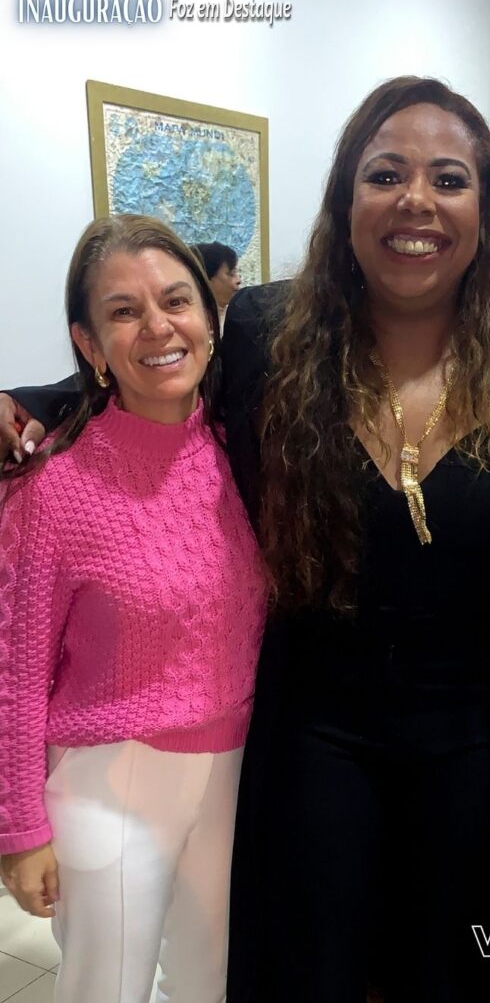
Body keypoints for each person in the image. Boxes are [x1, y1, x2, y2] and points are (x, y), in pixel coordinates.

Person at [0, 77, 490, 1002]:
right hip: (313, 738)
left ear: (486, 209)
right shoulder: (270, 335)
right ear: (344, 199)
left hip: (476, 745)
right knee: (305, 970)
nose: (415, 200)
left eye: (448, 179)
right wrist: (24, 405)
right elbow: (156, 387)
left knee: (456, 974)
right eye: (384, 174)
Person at [0, 215, 269, 1003]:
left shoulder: (247, 451)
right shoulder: (53, 486)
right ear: (89, 344)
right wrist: (18, 829)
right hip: (108, 783)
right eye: (124, 311)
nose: (158, 326)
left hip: (235, 776)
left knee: (211, 985)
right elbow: (14, 674)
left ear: (210, 318)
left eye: (176, 301)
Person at [191, 241, 241, 328]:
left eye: (236, 272)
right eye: (231, 273)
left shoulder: (240, 318)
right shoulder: (194, 324)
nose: (239, 280)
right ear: (206, 278)